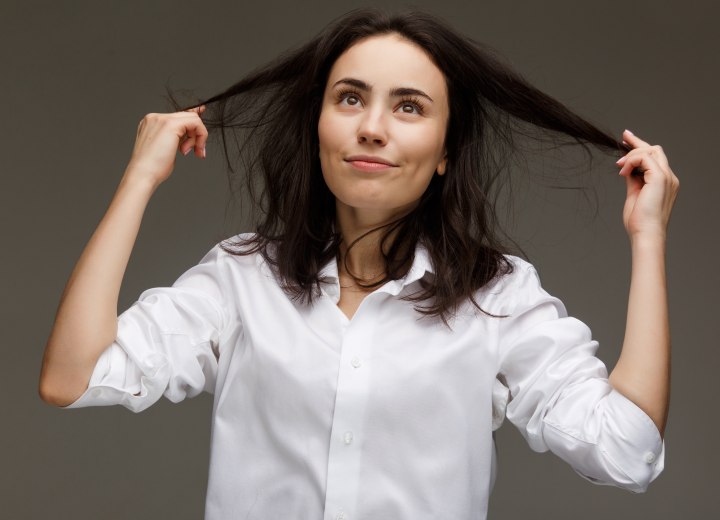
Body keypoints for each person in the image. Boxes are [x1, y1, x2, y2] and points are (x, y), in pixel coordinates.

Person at [39, 8, 678, 520]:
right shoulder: (240, 277)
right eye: (349, 98)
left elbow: (626, 451)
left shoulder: (499, 295)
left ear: (447, 149)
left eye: (409, 106)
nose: (372, 127)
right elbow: (71, 378)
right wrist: (140, 178)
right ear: (318, 123)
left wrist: (647, 238)